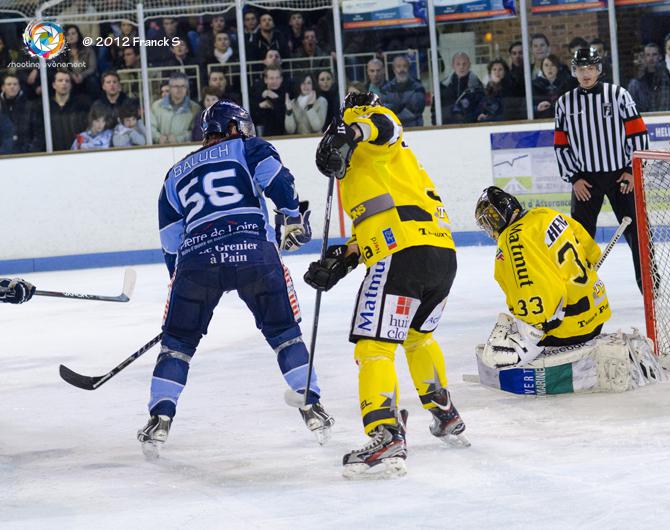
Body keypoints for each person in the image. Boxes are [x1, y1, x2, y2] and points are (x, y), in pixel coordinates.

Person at [139, 100, 334, 456]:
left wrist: (180, 284)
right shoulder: (249, 147)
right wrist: (291, 216)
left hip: (197, 261)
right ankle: (313, 408)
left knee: (177, 345)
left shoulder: (175, 173)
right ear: (233, 128)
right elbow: (277, 179)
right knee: (285, 336)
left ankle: (159, 420)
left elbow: (170, 240)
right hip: (255, 254)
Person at [309, 91, 468, 478]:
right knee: (418, 338)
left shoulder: (369, 127)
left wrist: (351, 130)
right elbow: (384, 217)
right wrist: (344, 259)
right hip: (440, 254)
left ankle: (386, 434)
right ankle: (444, 412)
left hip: (402, 255)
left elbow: (386, 125)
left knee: (374, 346)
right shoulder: (387, 168)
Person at [472, 187, 662, 395]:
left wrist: (533, 331)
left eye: (489, 221)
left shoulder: (511, 240)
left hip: (568, 329)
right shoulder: (546, 214)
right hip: (597, 314)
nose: (490, 227)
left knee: (497, 353)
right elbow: (593, 252)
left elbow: (535, 292)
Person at [554, 48, 650, 293]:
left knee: (638, 234)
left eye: (590, 68)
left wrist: (632, 170)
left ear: (599, 69)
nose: (586, 73)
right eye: (581, 68)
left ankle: (650, 288)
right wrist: (574, 178)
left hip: (621, 177)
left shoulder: (618, 95)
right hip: (586, 180)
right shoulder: (564, 103)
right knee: (579, 241)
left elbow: (637, 133)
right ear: (574, 71)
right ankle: (579, 290)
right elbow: (561, 144)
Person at [150, 72, 201, 144]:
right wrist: (158, 138)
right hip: (159, 148)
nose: (179, 89)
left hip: (184, 149)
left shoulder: (195, 108)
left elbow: (195, 131)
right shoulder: (156, 106)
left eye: (183, 86)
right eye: (176, 86)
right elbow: (150, 128)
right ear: (170, 88)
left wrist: (178, 139)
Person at [49, 70, 91, 151]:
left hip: (77, 152)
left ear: (71, 85)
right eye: (60, 80)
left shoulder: (81, 105)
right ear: (54, 85)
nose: (64, 83)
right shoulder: (48, 106)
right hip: (54, 154)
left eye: (67, 81)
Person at [0, 74, 43, 154]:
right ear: (3, 88)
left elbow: (38, 134)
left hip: (25, 155)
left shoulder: (30, 107)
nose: (12, 86)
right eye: (9, 84)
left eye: (15, 84)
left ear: (19, 87)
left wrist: (30, 152)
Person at [438, 52, 484, 124]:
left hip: (471, 127)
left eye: (464, 64)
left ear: (469, 65)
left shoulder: (478, 86)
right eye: (458, 64)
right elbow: (436, 109)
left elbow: (482, 107)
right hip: (448, 129)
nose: (461, 67)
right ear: (453, 65)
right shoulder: (443, 86)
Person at [382, 55, 426, 128]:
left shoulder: (418, 87)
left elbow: (416, 108)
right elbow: (386, 110)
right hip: (394, 128)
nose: (402, 69)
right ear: (394, 69)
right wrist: (401, 106)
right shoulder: (386, 89)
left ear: (408, 68)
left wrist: (396, 109)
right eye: (398, 66)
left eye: (404, 66)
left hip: (415, 128)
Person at [251, 66, 288, 137]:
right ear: (265, 79)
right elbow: (252, 118)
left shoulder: (287, 95)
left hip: (284, 137)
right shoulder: (257, 96)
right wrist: (259, 106)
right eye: (271, 78)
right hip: (262, 138)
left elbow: (283, 120)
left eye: (277, 78)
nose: (274, 81)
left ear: (281, 79)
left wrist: (276, 99)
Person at [532, 54, 570, 119]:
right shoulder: (534, 85)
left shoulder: (566, 83)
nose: (549, 68)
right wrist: (537, 108)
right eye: (546, 65)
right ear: (542, 68)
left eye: (553, 65)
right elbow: (527, 107)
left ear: (558, 67)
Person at [626, 43, 661, 112]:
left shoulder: (666, 78)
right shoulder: (636, 84)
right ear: (644, 57)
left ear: (660, 56)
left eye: (654, 55)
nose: (651, 58)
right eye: (648, 55)